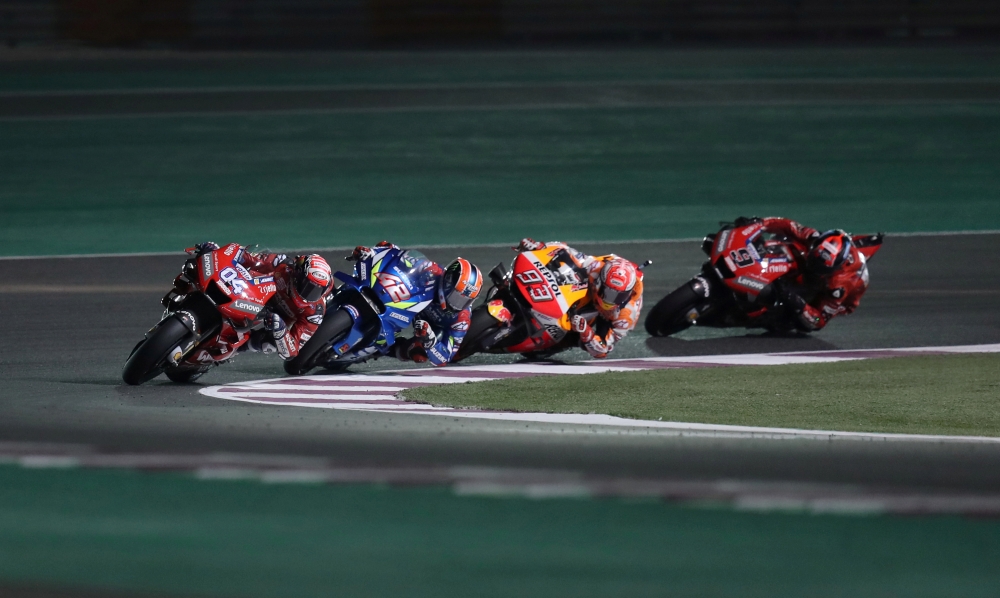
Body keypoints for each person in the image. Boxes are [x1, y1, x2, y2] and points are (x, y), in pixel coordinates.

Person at [184, 242, 334, 360]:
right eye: (307, 286)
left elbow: (292, 351)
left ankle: (236, 349)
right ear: (298, 274)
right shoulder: (283, 265)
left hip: (270, 319)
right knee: (194, 267)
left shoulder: (315, 313)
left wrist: (281, 331)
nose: (309, 294)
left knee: (270, 344)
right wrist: (216, 253)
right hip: (249, 292)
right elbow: (250, 259)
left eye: (316, 291)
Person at [350, 241, 483, 367]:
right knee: (385, 245)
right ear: (448, 282)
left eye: (466, 301)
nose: (458, 304)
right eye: (457, 297)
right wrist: (373, 252)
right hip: (404, 301)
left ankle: (382, 349)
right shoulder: (432, 270)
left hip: (425, 328)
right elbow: (399, 255)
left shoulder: (462, 319)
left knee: (419, 353)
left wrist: (430, 341)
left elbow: (446, 356)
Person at [516, 238, 643, 359]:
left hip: (604, 316)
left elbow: (602, 351)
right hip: (595, 282)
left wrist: (586, 332)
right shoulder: (595, 267)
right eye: (607, 292)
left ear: (628, 293)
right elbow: (564, 250)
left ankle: (558, 344)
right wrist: (539, 247)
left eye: (618, 296)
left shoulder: (626, 316)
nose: (610, 300)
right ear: (600, 282)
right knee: (564, 271)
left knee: (575, 336)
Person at [740, 216, 870, 332]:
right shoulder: (814, 238)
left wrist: (795, 300)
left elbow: (819, 321)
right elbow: (788, 225)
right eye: (815, 260)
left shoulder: (838, 286)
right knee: (784, 239)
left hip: (840, 297)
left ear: (835, 268)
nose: (814, 267)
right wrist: (759, 223)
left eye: (821, 267)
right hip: (825, 260)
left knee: (790, 319)